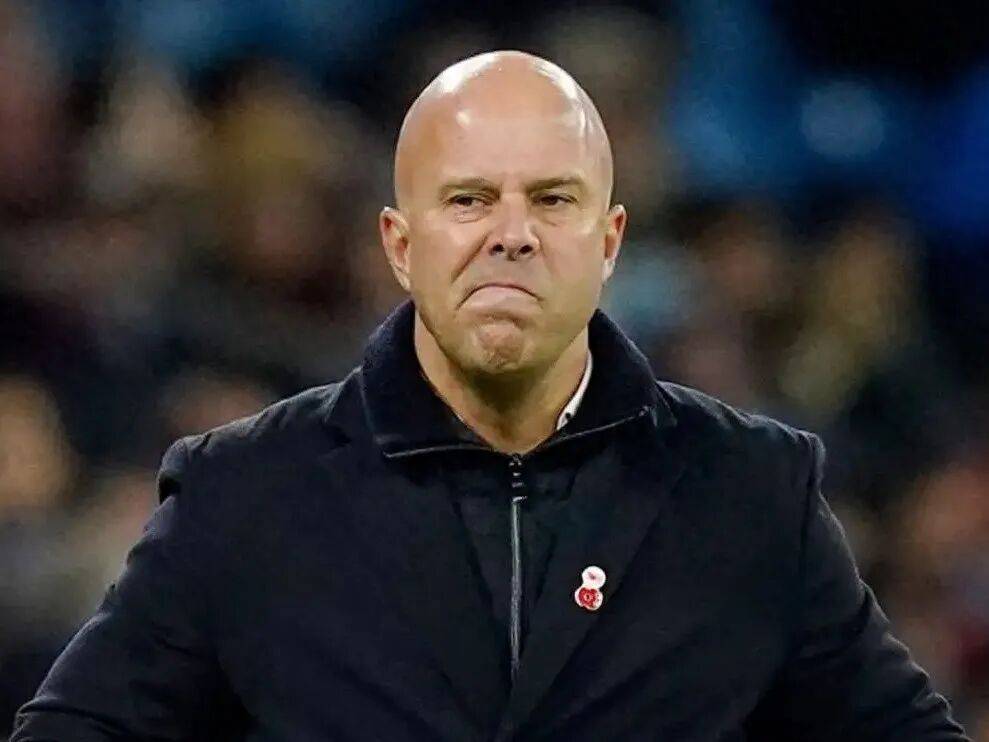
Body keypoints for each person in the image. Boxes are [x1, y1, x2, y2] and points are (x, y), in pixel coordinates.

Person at [12, 51, 969, 741]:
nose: (511, 234)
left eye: (552, 200)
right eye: (468, 199)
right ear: (399, 245)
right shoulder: (247, 494)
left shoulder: (748, 490)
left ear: (608, 242)